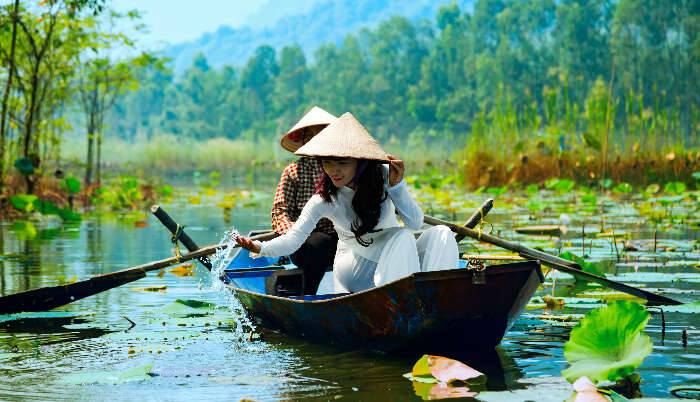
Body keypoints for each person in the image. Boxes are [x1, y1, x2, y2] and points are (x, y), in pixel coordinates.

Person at [238, 112, 458, 293]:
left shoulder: (384, 175)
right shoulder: (325, 198)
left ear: (360, 161)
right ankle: (398, 306)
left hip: (393, 255)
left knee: (441, 234)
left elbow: (416, 224)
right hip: (355, 266)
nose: (334, 170)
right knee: (400, 237)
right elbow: (293, 240)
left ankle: (438, 299)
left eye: (341, 162)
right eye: (327, 162)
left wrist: (397, 188)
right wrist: (259, 247)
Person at [271, 106, 339, 295]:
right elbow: (279, 211)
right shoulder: (293, 172)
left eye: (322, 134)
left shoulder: (344, 168)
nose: (316, 139)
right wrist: (294, 232)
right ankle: (309, 294)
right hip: (303, 242)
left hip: (340, 239)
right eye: (311, 135)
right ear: (304, 140)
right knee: (317, 242)